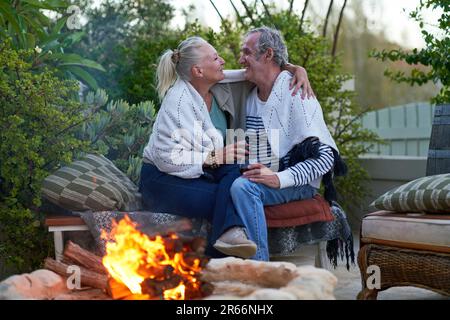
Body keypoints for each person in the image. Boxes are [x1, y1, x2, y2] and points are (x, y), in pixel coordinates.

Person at [139, 36, 312, 259]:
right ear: (198, 71)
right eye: (215, 57)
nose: (222, 61)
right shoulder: (178, 101)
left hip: (198, 174)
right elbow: (166, 159)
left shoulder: (219, 86)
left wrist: (295, 69)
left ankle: (228, 245)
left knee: (239, 169)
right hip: (162, 180)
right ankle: (229, 241)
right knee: (234, 196)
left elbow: (265, 70)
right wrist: (213, 156)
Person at [220, 26, 346, 261]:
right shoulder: (251, 96)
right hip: (267, 171)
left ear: (267, 54)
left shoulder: (296, 93)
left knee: (242, 187)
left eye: (247, 52)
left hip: (297, 182)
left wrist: (278, 178)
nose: (241, 59)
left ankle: (260, 265)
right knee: (221, 174)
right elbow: (219, 75)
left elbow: (325, 158)